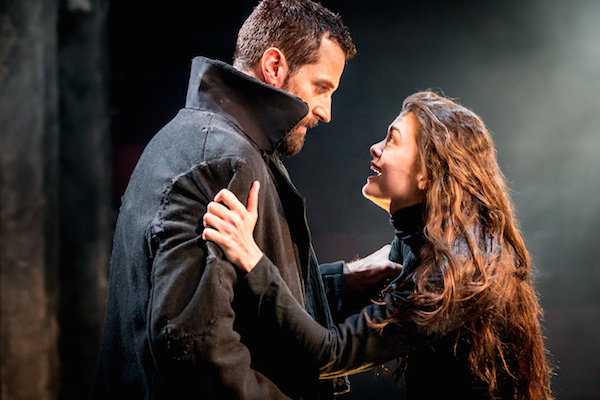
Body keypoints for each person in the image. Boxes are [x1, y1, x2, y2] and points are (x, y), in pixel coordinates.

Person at [91, 1, 401, 399]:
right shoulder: (223, 160)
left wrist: (343, 281)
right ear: (274, 66)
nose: (325, 112)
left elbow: (237, 294)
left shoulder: (207, 140)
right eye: (321, 88)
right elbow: (193, 345)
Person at [203, 91, 554, 399]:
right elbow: (312, 308)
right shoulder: (423, 245)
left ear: (427, 173)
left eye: (392, 141)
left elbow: (327, 354)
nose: (375, 147)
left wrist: (252, 259)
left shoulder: (457, 269)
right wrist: (346, 278)